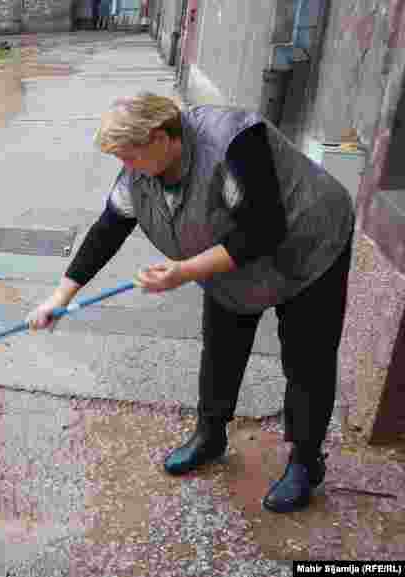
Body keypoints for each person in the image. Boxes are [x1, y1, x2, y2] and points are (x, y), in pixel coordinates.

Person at [26, 92, 355, 513]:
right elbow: (107, 230)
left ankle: (305, 463)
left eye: (130, 156)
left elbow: (262, 230)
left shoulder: (233, 142)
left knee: (308, 357)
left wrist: (183, 271)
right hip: (230, 257)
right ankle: (210, 435)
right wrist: (59, 298)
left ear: (162, 137)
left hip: (309, 243)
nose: (126, 168)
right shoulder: (140, 172)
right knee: (221, 345)